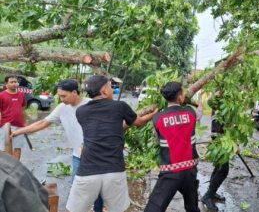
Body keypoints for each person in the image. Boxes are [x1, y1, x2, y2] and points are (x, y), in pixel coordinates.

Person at [10, 79, 104, 212]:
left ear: (74, 92)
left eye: (63, 96)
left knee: (98, 189)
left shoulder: (93, 105)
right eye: (59, 95)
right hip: (78, 157)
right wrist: (17, 132)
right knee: (76, 190)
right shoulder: (62, 108)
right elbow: (42, 123)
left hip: (97, 156)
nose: (61, 99)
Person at [66, 75, 157, 212]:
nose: (112, 89)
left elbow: (99, 126)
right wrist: (154, 113)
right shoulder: (120, 107)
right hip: (114, 171)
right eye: (110, 86)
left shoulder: (81, 111)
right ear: (104, 91)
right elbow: (139, 122)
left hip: (87, 171)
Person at [144, 82, 201, 212]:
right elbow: (200, 111)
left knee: (154, 207)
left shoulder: (157, 118)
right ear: (180, 97)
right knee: (192, 206)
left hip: (170, 171)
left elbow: (158, 141)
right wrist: (196, 103)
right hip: (190, 170)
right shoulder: (190, 112)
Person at [201, 94, 228, 211]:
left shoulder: (222, 109)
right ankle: (208, 196)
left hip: (221, 139)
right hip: (219, 140)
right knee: (223, 170)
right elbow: (211, 100)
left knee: (218, 168)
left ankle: (211, 192)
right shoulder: (218, 109)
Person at [0, 75, 27, 152]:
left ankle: (16, 164)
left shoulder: (21, 94)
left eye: (15, 82)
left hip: (19, 125)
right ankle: (8, 164)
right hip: (5, 125)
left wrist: (24, 123)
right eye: (11, 82)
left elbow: (22, 110)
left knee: (17, 147)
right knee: (5, 148)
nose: (14, 84)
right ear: (6, 84)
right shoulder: (1, 95)